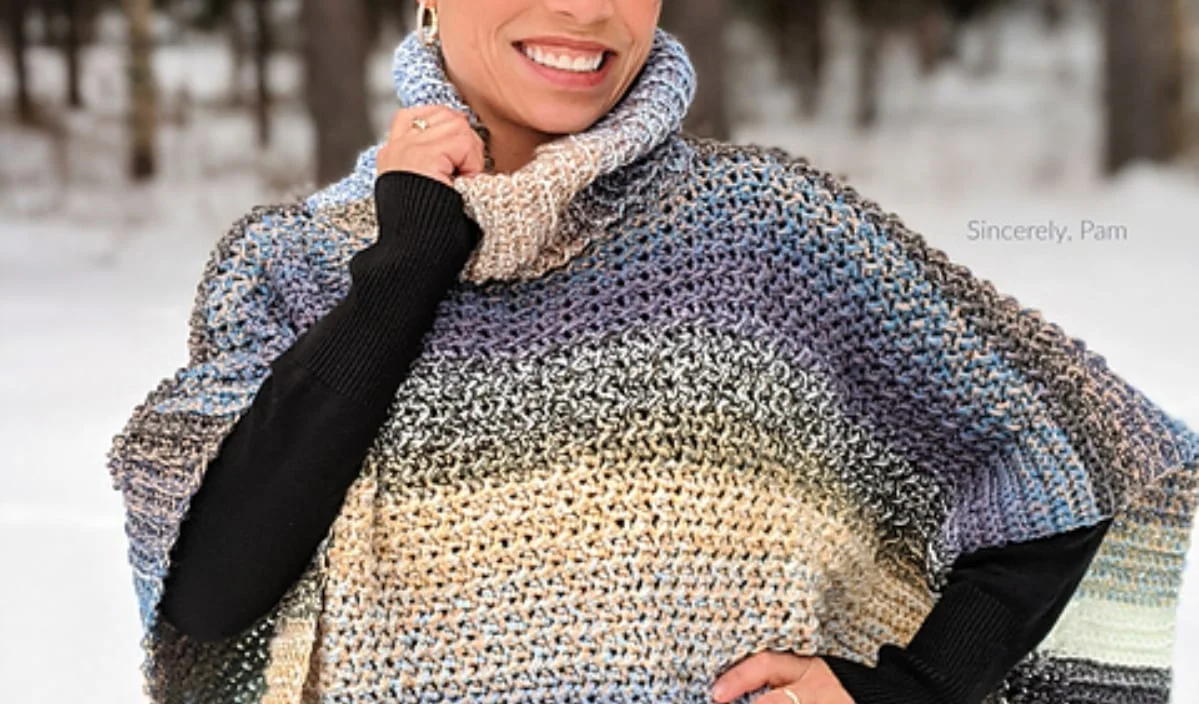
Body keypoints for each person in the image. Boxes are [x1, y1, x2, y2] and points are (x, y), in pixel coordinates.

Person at [106, 1, 1199, 703]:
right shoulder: (293, 266)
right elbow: (208, 597)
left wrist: (905, 690)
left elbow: (1070, 462)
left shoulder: (761, 232)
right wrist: (409, 261)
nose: (585, 10)